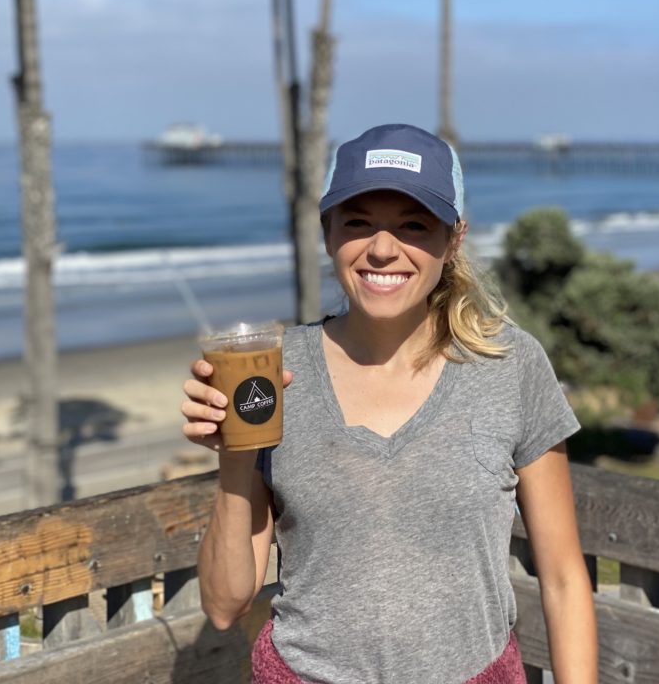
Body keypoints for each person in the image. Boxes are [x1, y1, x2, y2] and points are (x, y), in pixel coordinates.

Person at [181, 124, 598, 683]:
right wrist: (234, 450)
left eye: (413, 226)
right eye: (357, 223)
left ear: (453, 241)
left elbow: (566, 579)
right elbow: (225, 604)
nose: (382, 248)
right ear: (328, 234)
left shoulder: (511, 366)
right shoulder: (273, 373)